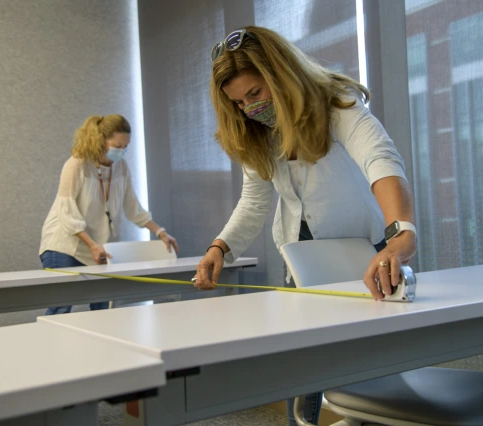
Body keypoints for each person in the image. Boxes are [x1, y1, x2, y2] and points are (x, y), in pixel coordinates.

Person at [192, 26, 417, 425]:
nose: (249, 108)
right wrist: (220, 248)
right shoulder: (258, 135)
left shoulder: (337, 106)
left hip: (365, 259)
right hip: (303, 262)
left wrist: (400, 234)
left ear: (280, 75)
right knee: (306, 375)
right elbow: (254, 200)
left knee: (372, 373)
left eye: (256, 93)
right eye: (239, 102)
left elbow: (381, 161)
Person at [40, 114, 178, 315]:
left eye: (125, 146)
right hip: (64, 246)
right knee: (62, 306)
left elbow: (134, 208)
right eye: (117, 146)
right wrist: (92, 245)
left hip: (97, 248)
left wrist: (161, 233)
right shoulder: (77, 164)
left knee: (103, 308)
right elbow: (66, 210)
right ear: (100, 140)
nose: (121, 151)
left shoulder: (121, 167)